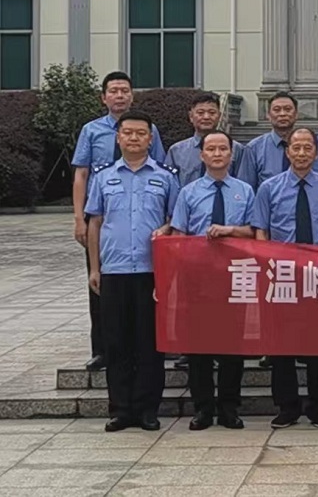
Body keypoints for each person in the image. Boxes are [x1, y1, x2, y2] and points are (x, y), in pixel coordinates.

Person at [84, 110, 178, 432]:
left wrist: (166, 230)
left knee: (150, 343)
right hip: (114, 270)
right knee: (116, 342)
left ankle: (148, 409)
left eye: (141, 133)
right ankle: (121, 409)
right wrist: (95, 268)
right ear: (118, 137)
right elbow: (95, 223)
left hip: (152, 271)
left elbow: (175, 221)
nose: (134, 138)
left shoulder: (165, 177)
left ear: (150, 139)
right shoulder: (103, 176)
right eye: (128, 133)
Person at [72, 71, 166, 371]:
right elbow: (82, 174)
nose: (119, 95)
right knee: (100, 283)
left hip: (141, 212)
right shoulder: (91, 130)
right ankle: (102, 349)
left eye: (125, 90)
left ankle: (144, 347)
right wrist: (79, 218)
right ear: (103, 97)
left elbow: (160, 167)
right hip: (103, 213)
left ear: (132, 96)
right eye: (113, 91)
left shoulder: (148, 129)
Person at [250, 127, 318, 429]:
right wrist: (267, 264)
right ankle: (287, 407)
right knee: (281, 345)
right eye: (296, 148)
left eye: (307, 148)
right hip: (282, 274)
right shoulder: (269, 188)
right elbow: (260, 230)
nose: (301, 153)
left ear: (316, 152)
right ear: (287, 152)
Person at [169, 130, 255, 430]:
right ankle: (203, 408)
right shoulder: (188, 192)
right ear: (202, 155)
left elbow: (254, 231)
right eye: (211, 149)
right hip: (198, 277)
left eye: (223, 149)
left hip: (234, 276)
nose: (217, 154)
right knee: (199, 347)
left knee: (233, 347)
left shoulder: (245, 191)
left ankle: (229, 408)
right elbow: (178, 235)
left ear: (231, 154)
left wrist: (230, 230)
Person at [166, 91, 247, 187]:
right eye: (200, 113)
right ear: (191, 116)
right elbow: (169, 185)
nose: (206, 117)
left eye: (212, 113)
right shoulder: (176, 151)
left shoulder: (236, 149)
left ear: (219, 116)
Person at [243, 92, 300, 190]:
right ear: (268, 115)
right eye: (277, 110)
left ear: (296, 114)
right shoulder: (254, 148)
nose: (282, 114)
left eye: (288, 109)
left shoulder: (308, 147)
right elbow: (246, 189)